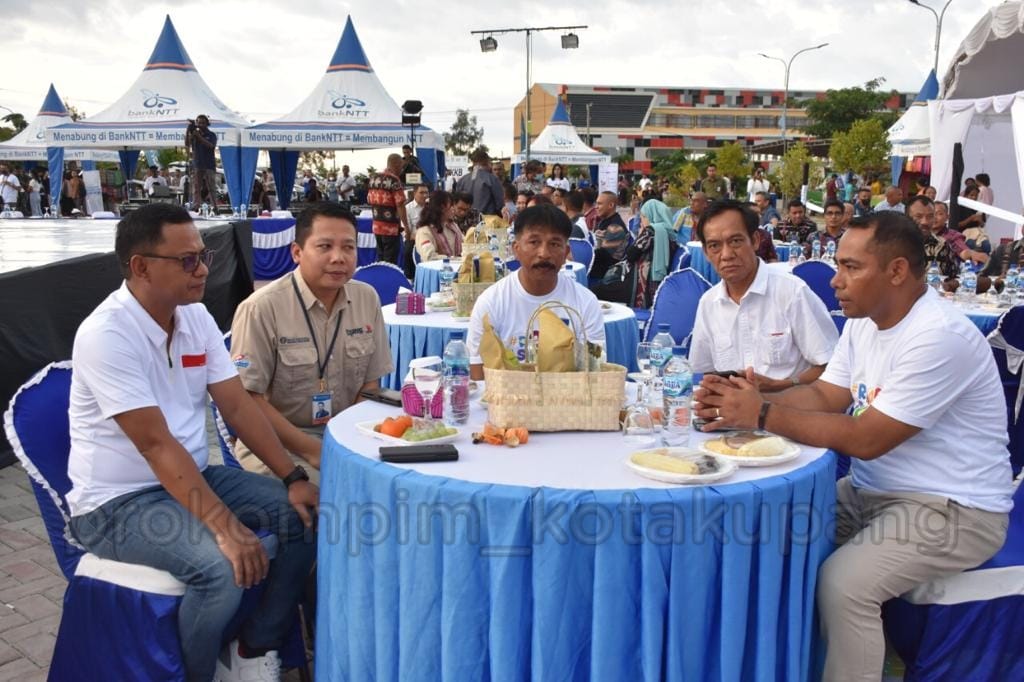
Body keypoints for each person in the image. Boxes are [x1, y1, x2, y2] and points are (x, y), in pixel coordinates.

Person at [694, 210, 1013, 682]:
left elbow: (867, 439)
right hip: (873, 496)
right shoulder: (864, 322)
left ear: (897, 271)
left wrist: (761, 414)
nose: (836, 281)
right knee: (764, 535)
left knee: (845, 585)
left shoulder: (938, 336)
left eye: (850, 267)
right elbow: (826, 395)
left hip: (956, 508)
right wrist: (748, 400)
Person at [67, 203, 318, 681]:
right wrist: (223, 526)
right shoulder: (107, 334)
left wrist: (292, 475)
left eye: (203, 255)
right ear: (140, 267)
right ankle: (195, 674)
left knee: (304, 514)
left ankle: (253, 646)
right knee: (218, 569)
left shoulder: (195, 317)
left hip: (190, 477)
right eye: (187, 261)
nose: (203, 268)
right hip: (116, 504)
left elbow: (238, 407)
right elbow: (155, 446)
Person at [230, 202, 393, 484]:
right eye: (325, 247)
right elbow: (247, 400)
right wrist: (312, 449)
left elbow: (371, 382)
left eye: (348, 247)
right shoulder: (261, 308)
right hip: (277, 443)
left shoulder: (366, 298)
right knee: (338, 496)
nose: (339, 258)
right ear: (297, 252)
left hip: (347, 435)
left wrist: (347, 438)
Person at [689, 200, 837, 391]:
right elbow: (704, 370)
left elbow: (832, 366)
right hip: (731, 415)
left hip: (788, 411)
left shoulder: (792, 292)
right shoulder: (709, 303)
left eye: (735, 241)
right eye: (715, 246)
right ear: (706, 253)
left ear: (756, 240)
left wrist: (780, 386)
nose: (726, 255)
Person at [467, 204, 605, 379]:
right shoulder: (491, 302)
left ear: (566, 253)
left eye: (554, 244)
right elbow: (478, 372)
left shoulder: (586, 302)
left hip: (566, 401)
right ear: (516, 249)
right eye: (534, 242)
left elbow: (594, 370)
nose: (544, 253)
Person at [907, 195, 959, 292]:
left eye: (930, 216)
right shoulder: (896, 245)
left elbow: (956, 278)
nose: (925, 222)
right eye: (918, 216)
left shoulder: (942, 245)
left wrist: (948, 285)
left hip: (935, 301)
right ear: (907, 217)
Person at [367, 153, 410, 265]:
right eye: (401, 165)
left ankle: (379, 281)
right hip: (390, 227)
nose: (402, 169)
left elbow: (369, 200)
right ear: (396, 164)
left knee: (380, 258)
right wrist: (406, 226)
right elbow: (400, 204)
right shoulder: (394, 180)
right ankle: (389, 282)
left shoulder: (373, 178)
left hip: (376, 226)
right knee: (390, 262)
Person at [589, 191, 629, 279]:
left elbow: (601, 256)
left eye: (599, 204)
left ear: (611, 205)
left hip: (607, 276)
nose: (596, 207)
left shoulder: (615, 227)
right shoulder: (606, 221)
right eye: (596, 203)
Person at [414, 190, 463, 261]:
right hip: (436, 270)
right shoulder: (424, 231)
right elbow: (430, 257)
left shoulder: (452, 226)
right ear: (442, 208)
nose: (453, 209)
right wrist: (454, 260)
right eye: (451, 205)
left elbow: (465, 243)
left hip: (456, 267)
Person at [456, 148, 504, 215]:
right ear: (487, 162)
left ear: (473, 163)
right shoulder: (492, 179)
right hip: (486, 221)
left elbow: (457, 202)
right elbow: (500, 203)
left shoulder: (462, 180)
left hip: (465, 221)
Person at [186, 115, 218, 209]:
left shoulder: (211, 135)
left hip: (209, 164)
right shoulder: (195, 135)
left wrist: (198, 136)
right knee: (196, 187)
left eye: (203, 123)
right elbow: (187, 144)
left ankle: (214, 207)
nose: (200, 124)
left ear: (207, 124)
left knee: (211, 187)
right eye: (199, 122)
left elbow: (211, 146)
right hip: (197, 164)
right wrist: (188, 131)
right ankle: (196, 206)